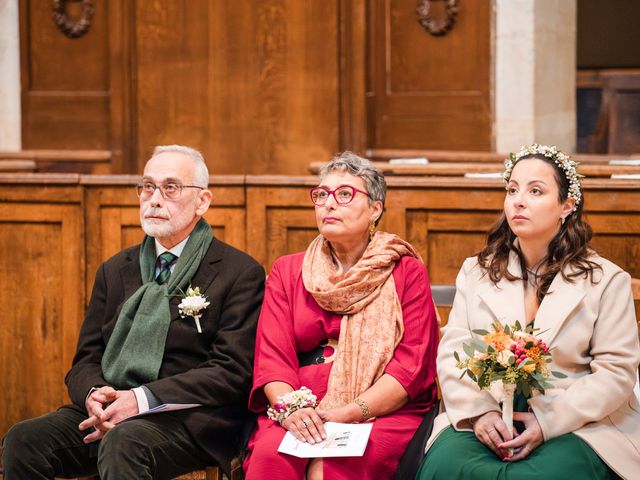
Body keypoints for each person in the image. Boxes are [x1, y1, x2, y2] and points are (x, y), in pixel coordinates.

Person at [2, 145, 265, 479]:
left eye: (171, 187)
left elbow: (231, 372)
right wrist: (96, 396)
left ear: (203, 201)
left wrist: (140, 400)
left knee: (124, 443)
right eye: (147, 186)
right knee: (24, 440)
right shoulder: (115, 270)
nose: (154, 199)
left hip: (188, 420)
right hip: (111, 412)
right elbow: (85, 361)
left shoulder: (238, 272)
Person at [416, 144, 640, 480]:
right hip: (487, 410)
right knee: (448, 468)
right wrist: (480, 414)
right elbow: (452, 352)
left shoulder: (606, 280)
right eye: (512, 190)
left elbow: (616, 372)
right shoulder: (476, 272)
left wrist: (547, 421)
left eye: (535, 191)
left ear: (567, 205)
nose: (518, 201)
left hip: (576, 421)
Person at [243, 152, 439, 480]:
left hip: (380, 410)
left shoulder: (405, 270)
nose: (328, 204)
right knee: (270, 459)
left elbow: (411, 365)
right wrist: (293, 409)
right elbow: (272, 358)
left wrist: (350, 412)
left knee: (334, 468)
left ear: (375, 208)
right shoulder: (288, 270)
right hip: (299, 408)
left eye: (344, 194)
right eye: (321, 195)